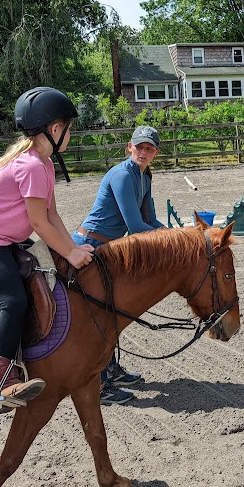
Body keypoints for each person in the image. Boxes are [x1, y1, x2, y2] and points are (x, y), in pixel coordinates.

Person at [0, 87, 94, 414]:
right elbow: (39, 224)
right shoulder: (31, 166)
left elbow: (52, 216)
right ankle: (3, 383)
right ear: (54, 130)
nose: (69, 134)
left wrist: (71, 248)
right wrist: (72, 256)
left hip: (0, 236)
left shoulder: (43, 164)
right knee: (12, 300)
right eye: (68, 128)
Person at [73, 125, 165, 405]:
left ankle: (110, 368)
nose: (144, 152)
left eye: (149, 149)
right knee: (96, 316)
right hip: (90, 246)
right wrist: (174, 239)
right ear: (130, 146)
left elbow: (151, 220)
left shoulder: (145, 176)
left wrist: (181, 234)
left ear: (155, 154)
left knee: (111, 310)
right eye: (140, 147)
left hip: (109, 248)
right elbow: (135, 226)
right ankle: (99, 383)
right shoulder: (123, 175)